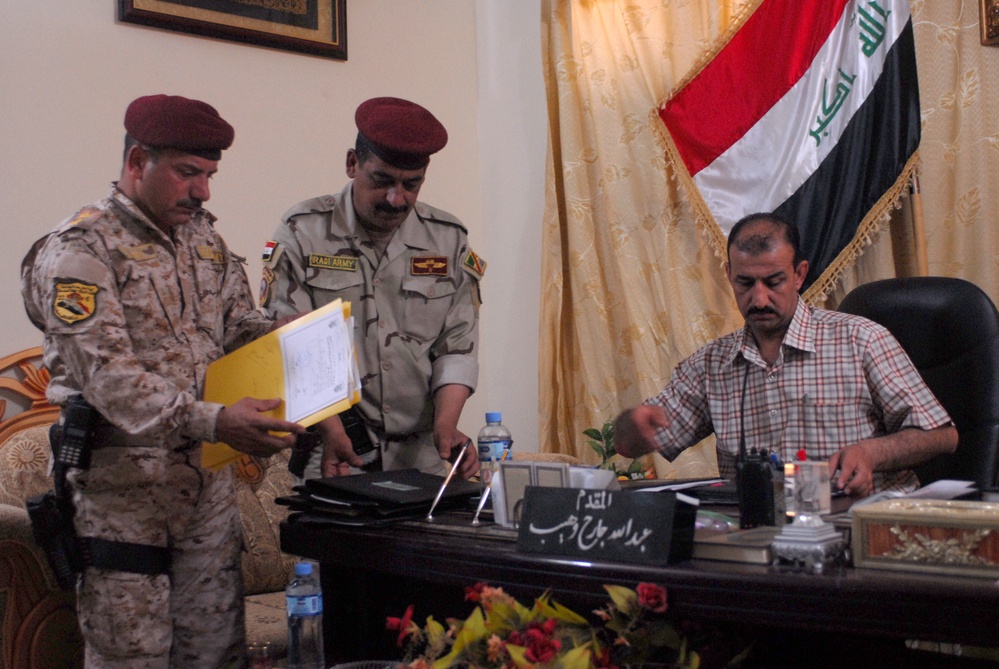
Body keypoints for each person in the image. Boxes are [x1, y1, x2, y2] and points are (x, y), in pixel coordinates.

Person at [21, 94, 306, 668]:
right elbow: (108, 379)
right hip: (124, 502)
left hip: (205, 497)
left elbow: (234, 325)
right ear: (136, 163)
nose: (202, 190)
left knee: (214, 658)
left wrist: (286, 333)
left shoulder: (206, 242)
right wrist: (217, 419)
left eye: (209, 174)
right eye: (187, 172)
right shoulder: (82, 250)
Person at [614, 212, 957, 497]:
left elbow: (943, 436)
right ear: (729, 276)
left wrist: (872, 452)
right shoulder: (710, 365)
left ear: (799, 275)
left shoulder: (861, 340)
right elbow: (629, 444)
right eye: (745, 283)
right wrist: (632, 427)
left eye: (774, 281)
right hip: (760, 539)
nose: (759, 299)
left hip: (863, 529)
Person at [261, 97, 484, 481]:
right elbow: (291, 342)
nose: (397, 199)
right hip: (335, 448)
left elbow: (457, 347)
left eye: (411, 185)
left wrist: (446, 426)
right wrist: (332, 430)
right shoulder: (304, 231)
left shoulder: (448, 240)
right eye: (382, 181)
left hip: (421, 455)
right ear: (353, 163)